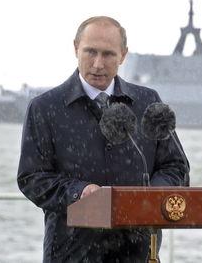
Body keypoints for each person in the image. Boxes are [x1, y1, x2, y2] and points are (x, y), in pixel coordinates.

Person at [17, 16, 188, 262]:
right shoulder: (44, 108)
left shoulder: (148, 102)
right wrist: (79, 192)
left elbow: (176, 166)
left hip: (138, 252)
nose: (98, 64)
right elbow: (32, 177)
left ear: (124, 55)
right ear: (76, 48)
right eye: (90, 52)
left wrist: (153, 194)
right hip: (71, 252)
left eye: (108, 54)